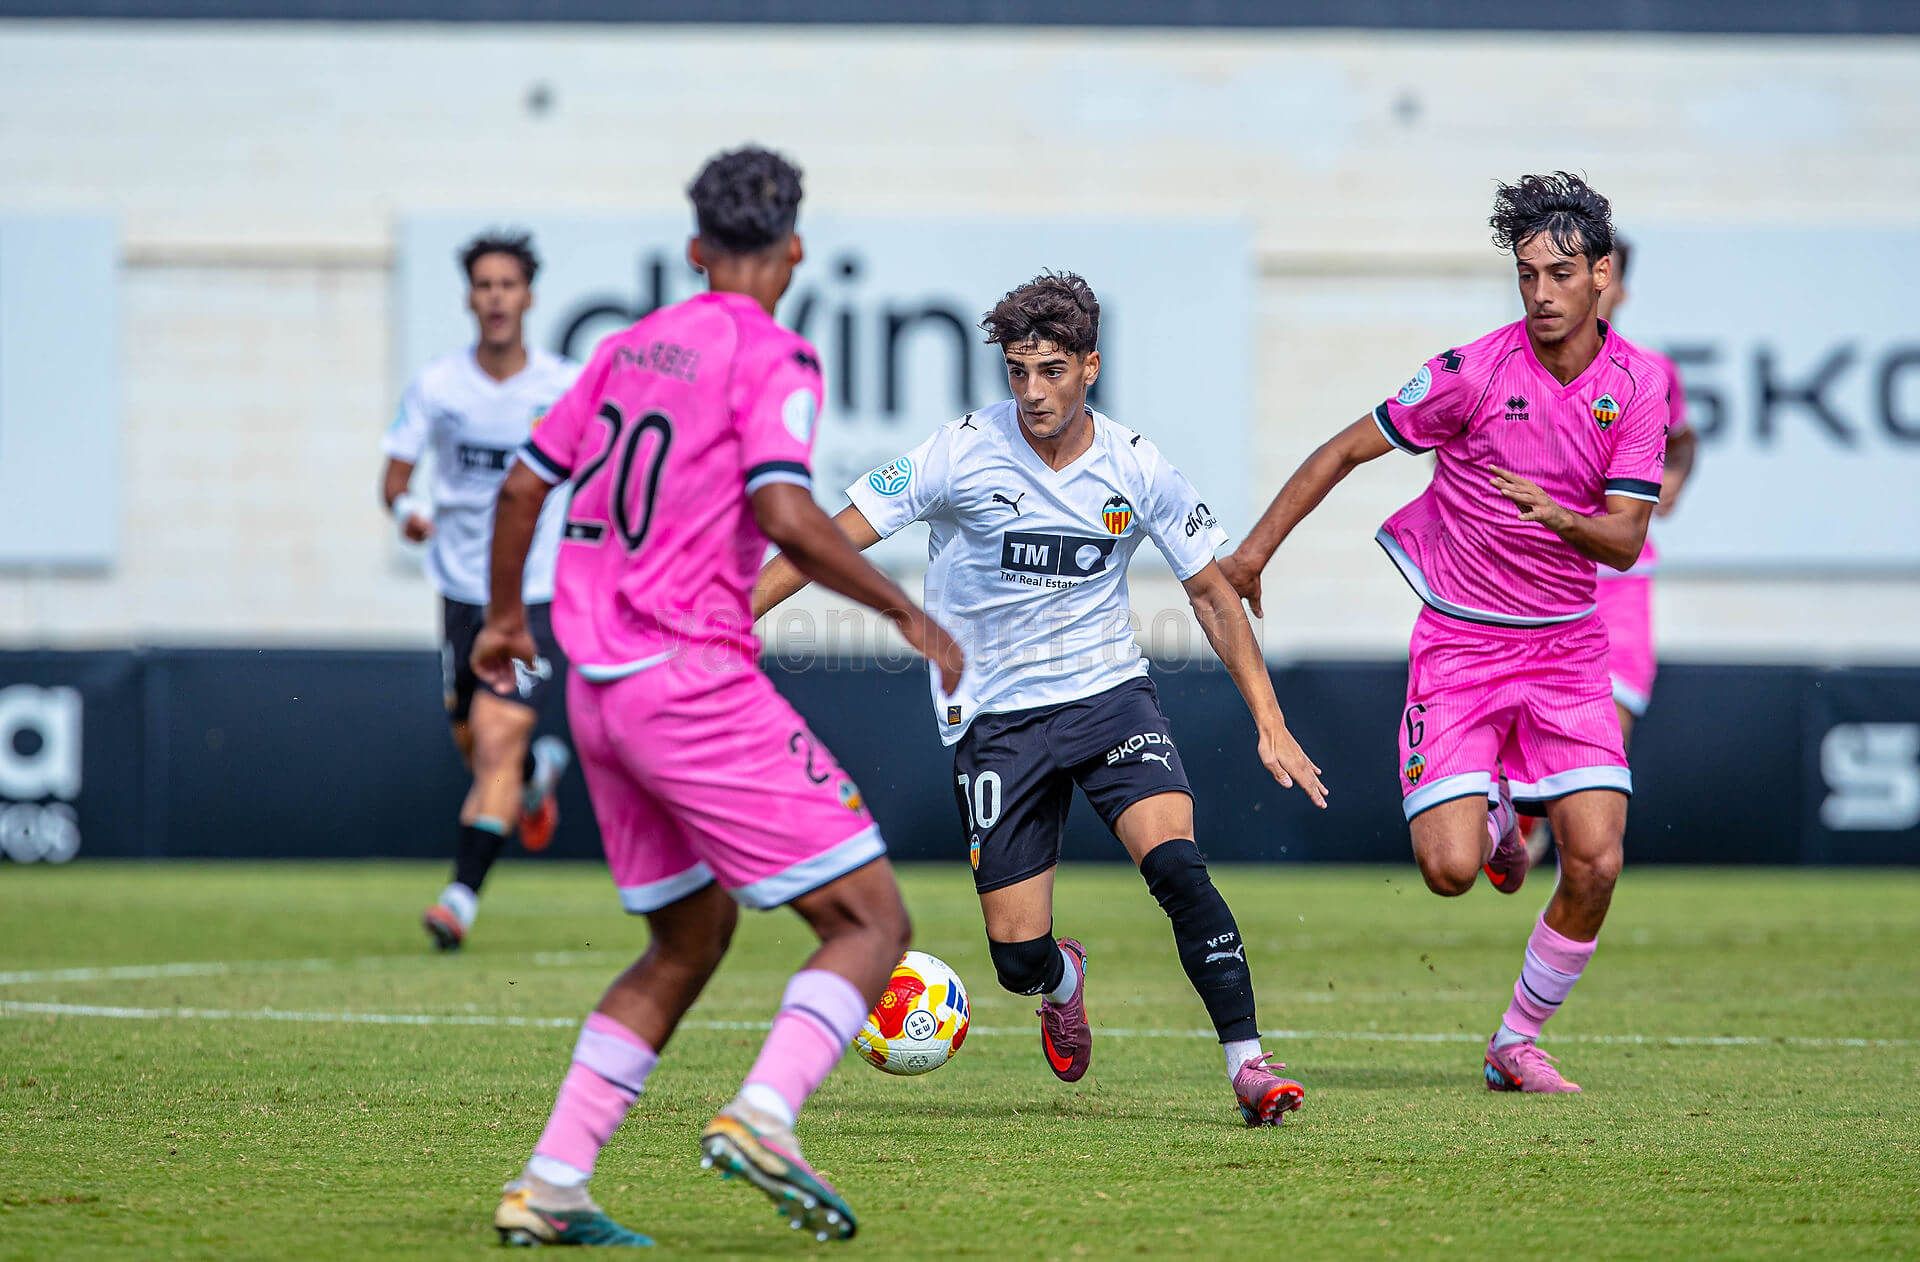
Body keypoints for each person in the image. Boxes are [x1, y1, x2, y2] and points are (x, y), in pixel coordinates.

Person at [474, 146, 964, 1246]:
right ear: (793, 251)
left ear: (695, 250)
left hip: (594, 684)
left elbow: (521, 487)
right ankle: (766, 1112)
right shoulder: (777, 352)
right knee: (872, 918)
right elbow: (787, 512)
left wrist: (505, 622)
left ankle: (550, 1182)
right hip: (688, 674)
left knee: (687, 937)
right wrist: (906, 613)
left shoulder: (623, 346)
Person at [753, 271, 1328, 1128]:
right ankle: (1064, 980)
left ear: (1090, 367)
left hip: (1108, 698)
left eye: (1051, 370)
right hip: (994, 720)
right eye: (1018, 370)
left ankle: (1249, 1066)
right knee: (1017, 958)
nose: (1032, 392)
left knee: (1175, 864)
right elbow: (825, 540)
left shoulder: (1135, 466)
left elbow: (1211, 593)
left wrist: (1270, 723)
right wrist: (732, 617)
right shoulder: (959, 452)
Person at [1218, 173, 1670, 1094]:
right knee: (1452, 872)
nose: (1541, 292)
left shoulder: (1640, 386)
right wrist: (1255, 553)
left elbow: (1624, 541)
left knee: (1596, 859)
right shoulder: (1470, 374)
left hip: (1568, 648)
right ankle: (1499, 819)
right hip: (1461, 646)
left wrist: (1555, 514)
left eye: (1561, 272)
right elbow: (1347, 447)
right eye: (1526, 273)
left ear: (1603, 276)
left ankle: (1515, 1042)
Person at [380, 230, 578, 951]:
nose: (496, 297)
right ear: (470, 296)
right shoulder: (438, 387)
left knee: (495, 741)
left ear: (528, 296)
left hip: (533, 596)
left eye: (508, 284)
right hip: (460, 591)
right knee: (476, 741)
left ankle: (459, 898)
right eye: (484, 284)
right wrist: (408, 513)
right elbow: (395, 479)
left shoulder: (563, 386)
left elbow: (607, 476)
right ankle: (537, 775)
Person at [1526, 235, 1700, 865]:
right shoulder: (1519, 367)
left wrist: (1671, 483)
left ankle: (1562, 840)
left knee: (1600, 757)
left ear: (1617, 286)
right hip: (1541, 581)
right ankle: (1521, 806)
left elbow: (1681, 442)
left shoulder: (1651, 374)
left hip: (1621, 584)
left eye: (1604, 278)